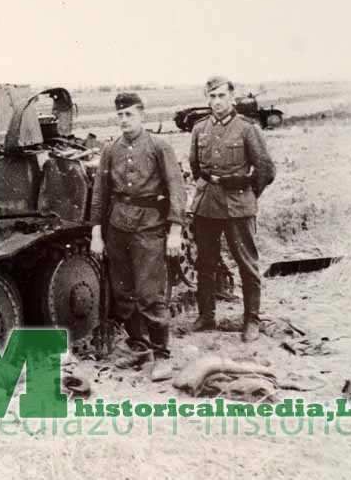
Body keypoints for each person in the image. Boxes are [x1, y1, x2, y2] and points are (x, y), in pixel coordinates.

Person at [90, 92, 186, 373]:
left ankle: (161, 355)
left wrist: (175, 230)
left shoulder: (159, 146)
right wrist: (97, 233)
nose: (124, 120)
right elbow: (100, 194)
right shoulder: (110, 150)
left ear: (141, 115)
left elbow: (176, 189)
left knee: (149, 294)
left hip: (149, 227)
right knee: (124, 295)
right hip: (117, 228)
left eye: (129, 114)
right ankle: (138, 348)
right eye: (120, 115)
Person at [188, 76, 276, 342]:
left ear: (232, 97)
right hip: (207, 206)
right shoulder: (199, 128)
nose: (216, 102)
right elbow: (195, 167)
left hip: (238, 205)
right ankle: (206, 316)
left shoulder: (247, 129)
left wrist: (248, 194)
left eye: (221, 96)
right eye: (212, 97)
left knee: (246, 264)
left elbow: (266, 170)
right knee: (205, 262)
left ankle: (251, 320)